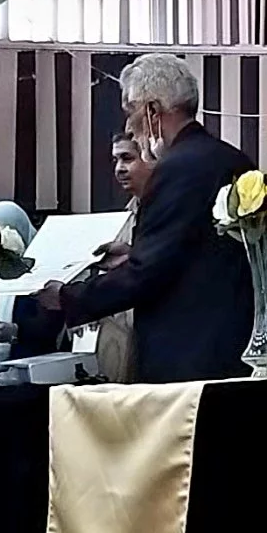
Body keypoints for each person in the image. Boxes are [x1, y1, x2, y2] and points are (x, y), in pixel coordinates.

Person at [36, 55, 253, 383]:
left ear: (152, 111)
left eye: (130, 111)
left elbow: (148, 273)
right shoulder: (232, 158)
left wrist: (68, 297)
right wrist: (134, 252)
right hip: (232, 341)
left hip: (187, 353)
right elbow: (197, 248)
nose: (128, 127)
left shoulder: (176, 168)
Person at [88, 132, 155, 383]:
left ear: (149, 158)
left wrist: (133, 256)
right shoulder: (124, 217)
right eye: (116, 160)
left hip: (157, 338)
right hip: (121, 335)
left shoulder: (167, 210)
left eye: (127, 158)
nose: (119, 169)